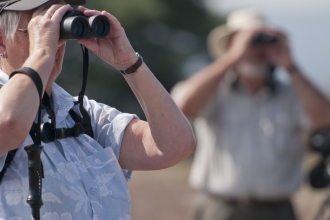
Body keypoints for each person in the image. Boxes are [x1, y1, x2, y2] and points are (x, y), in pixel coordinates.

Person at [0, 0, 196, 219]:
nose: (56, 41)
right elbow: (8, 122)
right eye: (42, 29)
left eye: (59, 28)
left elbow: (175, 145)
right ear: (1, 42)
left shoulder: (82, 116)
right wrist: (43, 51)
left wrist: (129, 63)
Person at [171, 8, 330, 220]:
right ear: (230, 46)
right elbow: (181, 107)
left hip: (278, 210)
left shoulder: (292, 95)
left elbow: (326, 120)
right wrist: (232, 58)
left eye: (264, 43)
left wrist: (291, 67)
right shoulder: (214, 92)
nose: (257, 51)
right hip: (219, 208)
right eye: (250, 42)